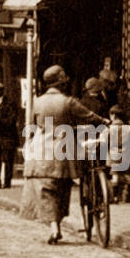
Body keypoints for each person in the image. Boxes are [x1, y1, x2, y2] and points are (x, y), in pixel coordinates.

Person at [21, 65, 108, 243]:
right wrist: (104, 121)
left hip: (42, 150)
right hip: (63, 149)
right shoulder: (68, 101)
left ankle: (55, 228)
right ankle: (58, 223)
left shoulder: (37, 102)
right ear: (61, 84)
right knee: (62, 188)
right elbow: (89, 115)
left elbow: (32, 126)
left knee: (46, 190)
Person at [106, 105, 130, 203]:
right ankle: (128, 195)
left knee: (115, 177)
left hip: (114, 155)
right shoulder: (128, 127)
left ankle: (115, 197)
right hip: (126, 153)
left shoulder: (109, 128)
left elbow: (104, 140)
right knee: (127, 175)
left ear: (113, 115)